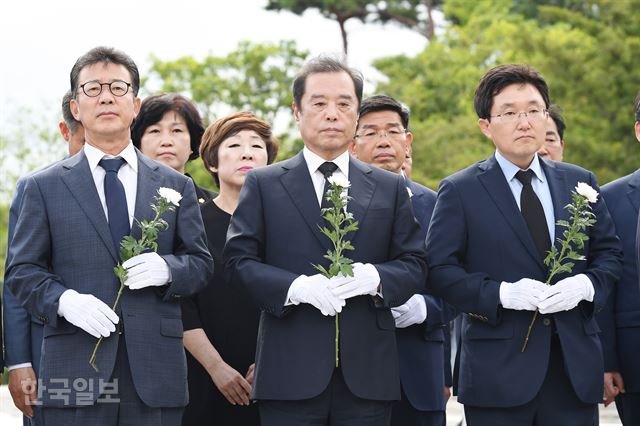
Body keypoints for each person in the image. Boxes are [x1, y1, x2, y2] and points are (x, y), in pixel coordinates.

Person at [5, 46, 213, 426]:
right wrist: (65, 301)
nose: (105, 96)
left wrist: (168, 269)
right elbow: (21, 272)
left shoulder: (175, 185)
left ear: (134, 105)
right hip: (74, 365)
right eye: (92, 88)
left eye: (118, 88)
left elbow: (201, 264)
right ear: (76, 107)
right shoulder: (42, 186)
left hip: (155, 369)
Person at [224, 56, 427, 426]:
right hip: (288, 374)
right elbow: (238, 262)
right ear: (297, 112)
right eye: (319, 104)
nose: (332, 114)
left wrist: (378, 278)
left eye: (344, 104)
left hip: (368, 376)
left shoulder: (390, 186)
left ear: (355, 114)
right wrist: (294, 287)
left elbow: (414, 263)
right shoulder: (265, 184)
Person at [425, 64, 622, 426]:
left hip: (572, 370)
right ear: (486, 125)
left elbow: (609, 255)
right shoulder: (460, 190)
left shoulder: (580, 181)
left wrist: (587, 285)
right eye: (510, 112)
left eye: (534, 110)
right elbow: (440, 271)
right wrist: (500, 294)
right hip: (497, 373)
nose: (525, 122)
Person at [349, 94, 455, 426]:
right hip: (351, 376)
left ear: (407, 142)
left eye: (393, 131)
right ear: (352, 145)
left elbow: (457, 283)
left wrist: (424, 308)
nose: (383, 141)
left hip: (418, 372)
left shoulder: (438, 204)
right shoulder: (332, 203)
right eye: (370, 132)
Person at [181, 111, 278, 426]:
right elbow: (181, 304)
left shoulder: (285, 224)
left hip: (276, 377)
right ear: (212, 161)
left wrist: (269, 361)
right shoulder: (192, 222)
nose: (247, 152)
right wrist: (216, 367)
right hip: (202, 379)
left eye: (257, 146)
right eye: (234, 145)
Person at [3, 90, 85, 426]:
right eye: (84, 140)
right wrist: (19, 361)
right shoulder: (36, 187)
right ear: (66, 132)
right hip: (49, 351)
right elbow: (17, 282)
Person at [598, 92, 640, 425]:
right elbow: (605, 284)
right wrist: (607, 360)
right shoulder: (610, 198)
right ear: (638, 130)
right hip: (634, 363)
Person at [131, 93, 215, 204]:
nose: (166, 142)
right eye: (155, 131)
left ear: (192, 142)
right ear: (138, 142)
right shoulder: (126, 202)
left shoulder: (215, 206)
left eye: (177, 130)